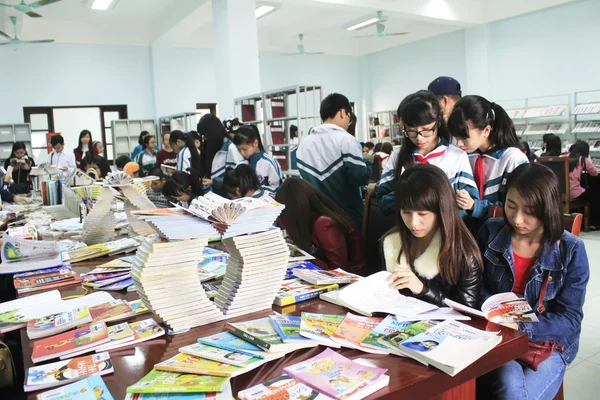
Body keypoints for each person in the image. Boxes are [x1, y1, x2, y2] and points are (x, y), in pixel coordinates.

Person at [476, 163, 589, 399]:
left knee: (511, 394)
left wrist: (521, 326)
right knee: (509, 386)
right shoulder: (491, 232)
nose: (517, 219)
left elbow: (570, 319)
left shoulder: (572, 250)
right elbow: (477, 287)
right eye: (511, 205)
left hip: (549, 344)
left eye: (529, 211)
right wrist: (494, 311)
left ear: (547, 209)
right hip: (502, 339)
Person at [382, 165, 482, 308]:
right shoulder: (391, 244)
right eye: (406, 212)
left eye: (423, 214)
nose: (413, 223)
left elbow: (468, 312)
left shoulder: (463, 253)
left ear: (442, 210)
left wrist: (423, 290)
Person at [376, 90, 478, 216]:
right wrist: (407, 193)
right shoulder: (397, 156)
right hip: (409, 230)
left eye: (426, 130)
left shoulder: (456, 156)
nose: (420, 138)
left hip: (447, 231)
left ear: (438, 121)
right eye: (412, 131)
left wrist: (465, 202)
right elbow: (382, 201)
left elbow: (470, 205)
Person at [448, 95, 528, 221]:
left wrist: (474, 206)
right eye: (456, 137)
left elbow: (519, 208)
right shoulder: (465, 155)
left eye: (464, 137)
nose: (458, 143)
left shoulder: (513, 159)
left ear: (486, 131)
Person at [297, 93, 371, 226]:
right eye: (349, 116)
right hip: (348, 218)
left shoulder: (303, 144)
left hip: (316, 219)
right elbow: (359, 177)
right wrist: (368, 165)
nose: (349, 122)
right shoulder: (346, 140)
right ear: (342, 112)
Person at [275, 177, 365, 275]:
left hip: (350, 281)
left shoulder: (324, 224)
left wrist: (303, 257)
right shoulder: (314, 219)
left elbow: (337, 270)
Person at [233, 125, 283, 194]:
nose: (241, 153)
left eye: (244, 149)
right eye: (238, 149)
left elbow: (278, 188)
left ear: (255, 143)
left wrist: (256, 192)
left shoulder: (269, 163)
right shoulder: (240, 165)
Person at [562, 141, 600, 228]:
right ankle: (594, 223)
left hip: (559, 193)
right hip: (575, 192)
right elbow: (594, 173)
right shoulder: (583, 159)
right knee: (596, 195)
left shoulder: (562, 157)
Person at [195, 114, 230, 191]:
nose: (206, 139)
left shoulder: (230, 147)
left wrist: (213, 182)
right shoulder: (211, 147)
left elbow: (237, 179)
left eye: (207, 136)